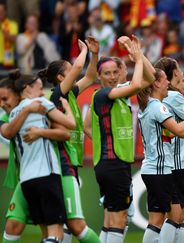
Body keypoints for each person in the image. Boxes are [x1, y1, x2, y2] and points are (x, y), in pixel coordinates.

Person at [90, 36, 154, 243]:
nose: (111, 77)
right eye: (106, 73)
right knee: (119, 220)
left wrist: (139, 52)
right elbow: (137, 84)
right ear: (99, 77)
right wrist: (136, 59)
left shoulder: (118, 93)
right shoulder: (103, 95)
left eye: (115, 72)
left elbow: (151, 78)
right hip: (113, 163)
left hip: (114, 163)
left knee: (110, 220)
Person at [38, 37, 100, 243]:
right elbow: (80, 66)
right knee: (69, 218)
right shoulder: (57, 94)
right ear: (60, 77)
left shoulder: (70, 93)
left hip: (71, 159)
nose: (75, 69)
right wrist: (83, 51)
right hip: (62, 160)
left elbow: (90, 75)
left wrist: (95, 54)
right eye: (70, 68)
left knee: (66, 217)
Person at [138, 68, 184, 243]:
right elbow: (182, 131)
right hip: (159, 169)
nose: (168, 83)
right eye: (164, 80)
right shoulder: (157, 107)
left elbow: (182, 132)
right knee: (173, 217)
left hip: (157, 168)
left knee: (165, 218)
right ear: (156, 83)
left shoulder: (148, 106)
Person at [8, 71, 77, 243]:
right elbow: (71, 125)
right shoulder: (41, 103)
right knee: (56, 232)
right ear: (27, 88)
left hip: (26, 180)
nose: (42, 93)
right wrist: (67, 108)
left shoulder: (13, 114)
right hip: (46, 174)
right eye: (39, 88)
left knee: (45, 233)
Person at [153, 57, 184, 243]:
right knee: (178, 216)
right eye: (180, 69)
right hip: (175, 165)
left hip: (172, 162)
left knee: (178, 217)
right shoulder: (173, 96)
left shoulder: (170, 97)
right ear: (175, 73)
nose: (182, 72)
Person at [0, 2, 18, 69]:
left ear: (5, 12)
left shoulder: (12, 24)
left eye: (1, 11)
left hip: (8, 62)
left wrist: (6, 34)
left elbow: (15, 39)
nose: (0, 13)